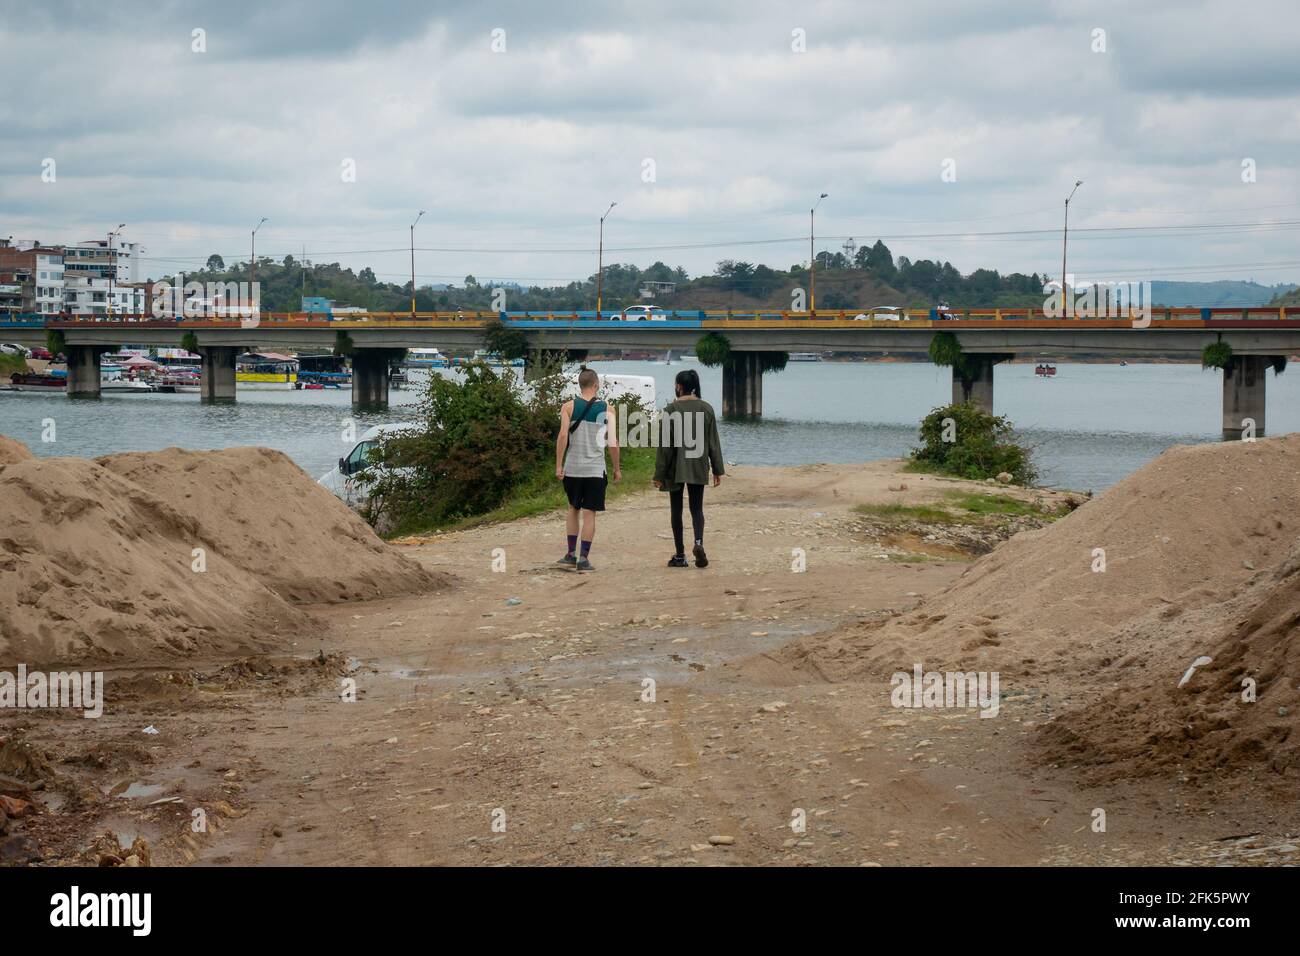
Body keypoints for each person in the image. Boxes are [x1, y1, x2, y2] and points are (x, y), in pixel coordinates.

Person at [653, 368, 724, 568]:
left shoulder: (670, 410)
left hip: (675, 467)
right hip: (698, 464)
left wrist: (659, 474)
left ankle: (680, 555)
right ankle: (699, 543)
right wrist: (717, 469)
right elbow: (713, 442)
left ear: (679, 386)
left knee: (676, 510)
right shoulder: (707, 408)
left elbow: (665, 447)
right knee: (696, 508)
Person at [555, 367, 620, 571]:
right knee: (589, 512)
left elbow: (563, 436)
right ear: (596, 384)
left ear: (580, 385)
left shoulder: (568, 407)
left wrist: (559, 465)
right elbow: (613, 442)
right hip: (595, 470)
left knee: (573, 509)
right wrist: (617, 468)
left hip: (573, 468)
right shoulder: (608, 409)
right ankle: (583, 559)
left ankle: (570, 554)